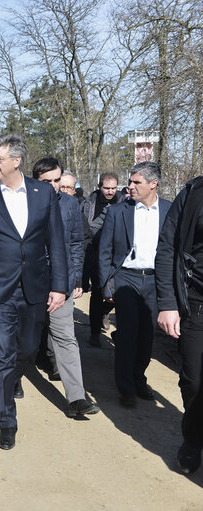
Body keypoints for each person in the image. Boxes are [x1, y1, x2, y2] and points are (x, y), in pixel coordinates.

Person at [0, 133, 67, 450]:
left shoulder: (43, 194)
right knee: (2, 356)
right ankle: (7, 421)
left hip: (34, 288)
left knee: (29, 348)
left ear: (16, 161)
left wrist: (59, 286)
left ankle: (13, 377)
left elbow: (56, 243)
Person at [98, 161, 170, 409]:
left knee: (147, 336)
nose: (129, 186)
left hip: (155, 281)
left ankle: (139, 378)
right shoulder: (118, 212)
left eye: (136, 182)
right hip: (126, 279)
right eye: (130, 181)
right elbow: (104, 252)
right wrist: (106, 286)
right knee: (128, 335)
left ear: (153, 184)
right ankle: (126, 387)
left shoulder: (170, 211)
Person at [32, 157, 100, 417]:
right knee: (24, 338)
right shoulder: (22, 203)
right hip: (29, 283)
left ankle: (76, 398)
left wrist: (70, 281)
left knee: (66, 337)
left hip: (60, 283)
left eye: (57, 180)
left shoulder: (71, 205)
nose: (53, 186)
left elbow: (76, 245)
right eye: (46, 181)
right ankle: (13, 379)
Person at [156, 174, 203, 474]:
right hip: (197, 303)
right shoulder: (193, 192)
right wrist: (168, 304)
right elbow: (167, 248)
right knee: (194, 381)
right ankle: (193, 439)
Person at [83, 172, 126, 346]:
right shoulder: (89, 203)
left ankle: (106, 313)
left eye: (113, 188)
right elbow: (87, 229)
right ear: (99, 186)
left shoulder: (124, 201)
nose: (110, 192)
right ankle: (94, 332)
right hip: (96, 254)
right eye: (106, 188)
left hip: (118, 256)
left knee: (120, 294)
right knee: (97, 293)